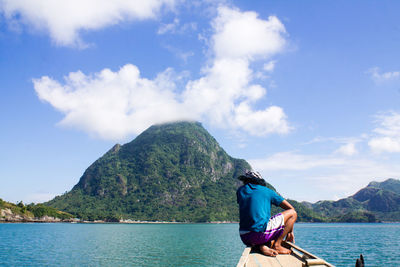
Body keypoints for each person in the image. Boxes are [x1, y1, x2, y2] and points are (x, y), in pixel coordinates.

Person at [236, 171, 297, 256]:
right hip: (259, 235)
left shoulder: (240, 191)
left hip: (244, 236)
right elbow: (291, 208)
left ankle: (261, 246)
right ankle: (277, 245)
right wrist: (290, 231)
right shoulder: (268, 191)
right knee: (293, 213)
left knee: (261, 225)